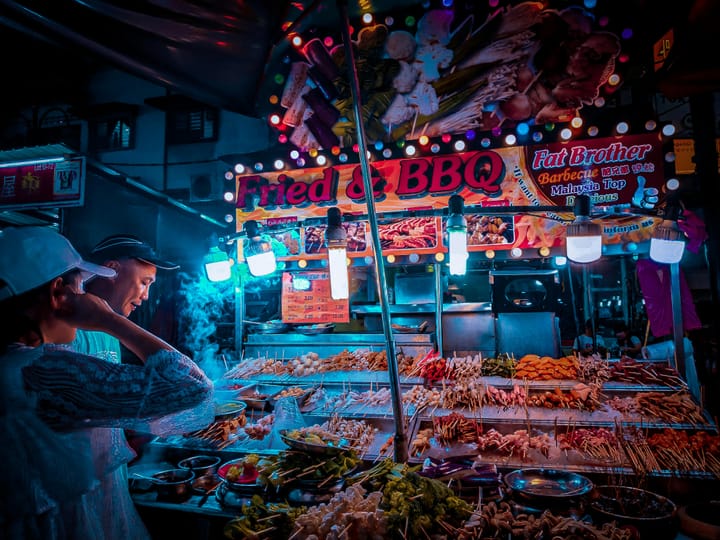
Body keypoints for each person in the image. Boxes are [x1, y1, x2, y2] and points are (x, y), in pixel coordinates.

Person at [0, 226, 214, 540]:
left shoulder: (16, 361)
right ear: (59, 293)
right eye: (80, 287)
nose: (86, 295)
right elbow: (191, 385)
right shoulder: (39, 369)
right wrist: (110, 320)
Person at [66, 234, 181, 540]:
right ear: (112, 268)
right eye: (144, 282)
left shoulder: (110, 329)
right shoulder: (64, 330)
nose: (145, 295)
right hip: (71, 484)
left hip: (108, 478)